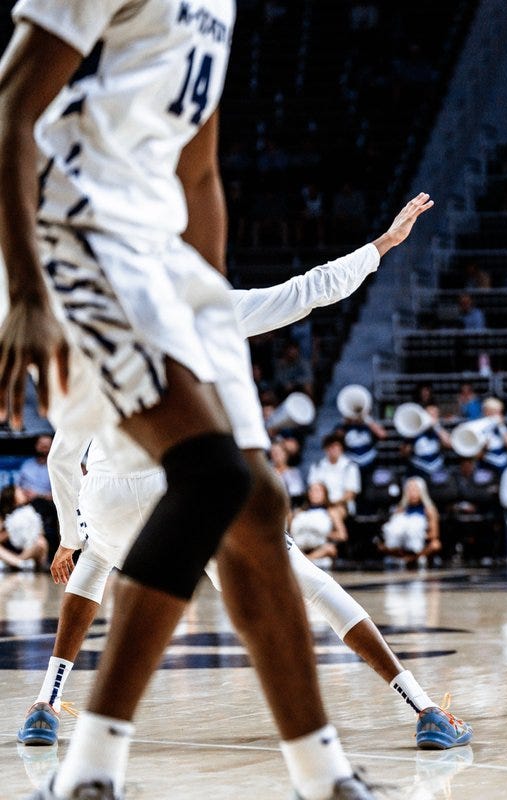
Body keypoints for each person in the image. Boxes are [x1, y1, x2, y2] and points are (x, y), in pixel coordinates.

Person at [0, 2, 381, 796]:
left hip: (161, 261)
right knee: (210, 476)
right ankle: (88, 774)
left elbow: (198, 170)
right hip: (72, 233)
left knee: (260, 505)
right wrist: (28, 291)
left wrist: (204, 309)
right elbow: (13, 100)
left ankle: (324, 776)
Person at [17, 200, 471, 764]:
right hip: (190, 492)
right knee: (316, 588)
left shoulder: (95, 331)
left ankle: (44, 707)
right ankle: (426, 711)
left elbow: (63, 455)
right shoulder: (210, 310)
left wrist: (70, 534)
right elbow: (309, 290)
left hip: (109, 500)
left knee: (94, 560)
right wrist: (379, 247)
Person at [378, 476, 441, 567]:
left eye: (415, 490)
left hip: (419, 543)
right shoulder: (400, 509)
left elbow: (434, 535)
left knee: (435, 545)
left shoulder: (429, 510)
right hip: (401, 544)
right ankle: (401, 558)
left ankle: (414, 558)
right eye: (409, 490)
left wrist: (421, 534)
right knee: (383, 545)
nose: (412, 493)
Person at [290, 483, 346, 568]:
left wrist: (326, 534)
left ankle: (308, 559)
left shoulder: (331, 512)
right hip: (300, 548)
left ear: (325, 493)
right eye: (311, 491)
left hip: (319, 550)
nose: (314, 493)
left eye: (317, 491)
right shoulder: (299, 512)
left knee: (330, 548)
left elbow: (342, 535)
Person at [307, 432, 362, 517]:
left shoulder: (350, 467)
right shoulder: (317, 466)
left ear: (341, 448)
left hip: (342, 505)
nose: (333, 450)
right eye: (330, 447)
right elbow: (313, 489)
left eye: (336, 447)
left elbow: (351, 494)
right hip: (320, 504)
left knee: (333, 514)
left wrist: (332, 503)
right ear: (325, 449)